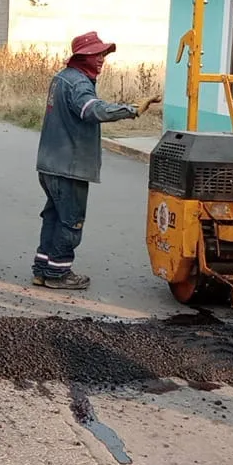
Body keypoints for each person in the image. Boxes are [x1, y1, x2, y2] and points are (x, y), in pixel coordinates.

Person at [31, 31, 160, 291]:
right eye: (96, 54)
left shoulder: (61, 78)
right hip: (69, 166)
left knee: (54, 217)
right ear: (82, 57)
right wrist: (132, 109)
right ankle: (58, 274)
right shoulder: (78, 84)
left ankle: (43, 270)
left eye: (103, 54)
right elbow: (92, 110)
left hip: (50, 163)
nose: (101, 59)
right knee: (71, 221)